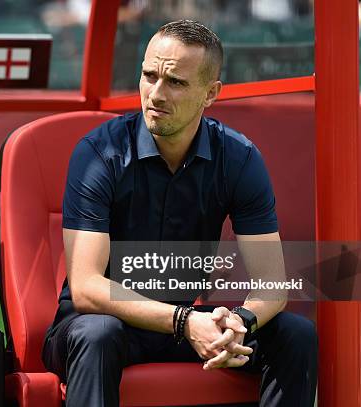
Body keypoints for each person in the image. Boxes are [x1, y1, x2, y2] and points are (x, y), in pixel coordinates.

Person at [41, 19, 317, 407]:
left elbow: (272, 284)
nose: (156, 93)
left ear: (211, 93)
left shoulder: (239, 159)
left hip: (187, 324)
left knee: (296, 334)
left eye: (176, 82)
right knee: (97, 333)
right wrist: (185, 321)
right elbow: (86, 288)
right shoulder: (99, 153)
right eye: (148, 75)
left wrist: (239, 322)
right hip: (99, 325)